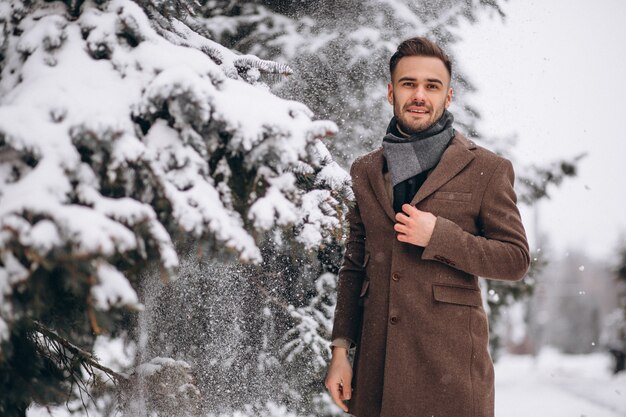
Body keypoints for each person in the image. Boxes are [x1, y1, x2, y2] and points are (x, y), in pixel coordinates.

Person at [325, 37, 530, 417]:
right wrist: (341, 350)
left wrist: (440, 237)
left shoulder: (487, 169)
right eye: (409, 83)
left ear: (448, 96)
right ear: (391, 91)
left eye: (431, 86)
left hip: (450, 375)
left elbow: (515, 259)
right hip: (378, 371)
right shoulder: (365, 171)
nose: (419, 95)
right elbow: (354, 266)